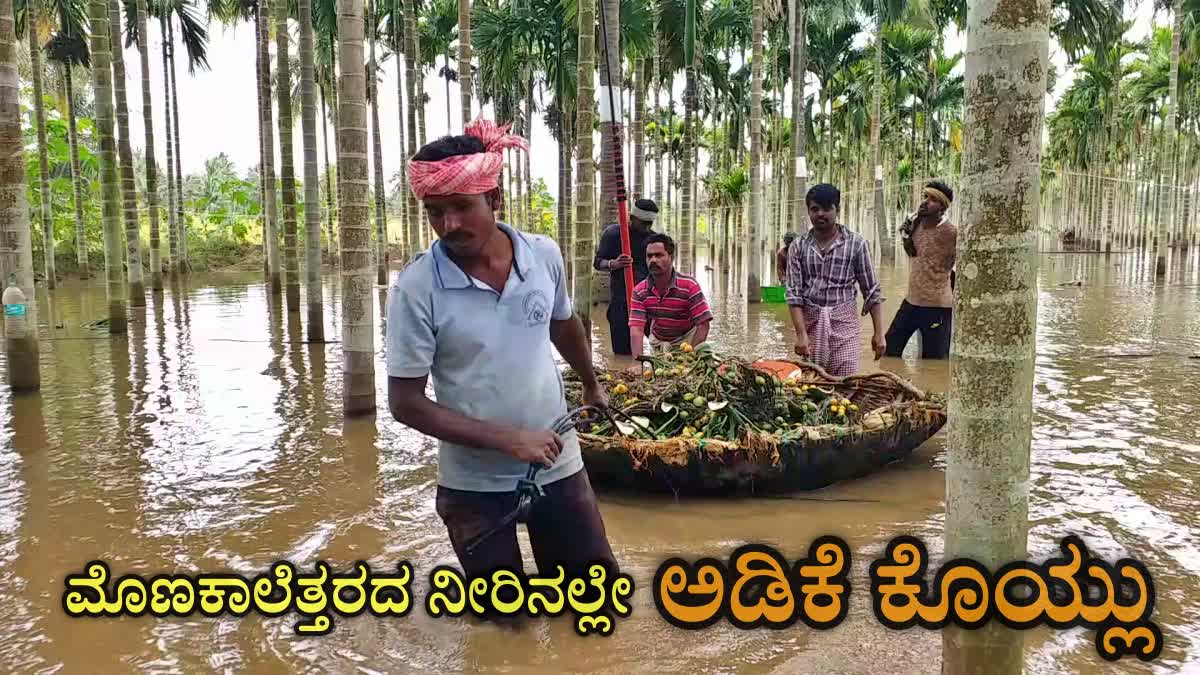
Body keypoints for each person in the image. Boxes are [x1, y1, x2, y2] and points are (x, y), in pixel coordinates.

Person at [385, 118, 617, 595]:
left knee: (594, 600)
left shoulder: (542, 255)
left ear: (495, 198)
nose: (449, 225)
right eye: (435, 212)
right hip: (473, 486)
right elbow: (405, 403)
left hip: (558, 464)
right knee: (502, 624)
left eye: (461, 207)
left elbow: (562, 324)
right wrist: (509, 440)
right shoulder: (416, 289)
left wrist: (592, 383)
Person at [785, 183, 886, 376]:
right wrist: (800, 335)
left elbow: (871, 291)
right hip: (811, 323)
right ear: (808, 211)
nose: (820, 214)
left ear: (837, 210)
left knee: (846, 382)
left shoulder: (856, 244)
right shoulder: (798, 247)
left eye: (826, 208)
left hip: (844, 323)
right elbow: (794, 295)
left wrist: (879, 333)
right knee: (812, 384)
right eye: (815, 209)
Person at [885, 180, 958, 359]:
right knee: (889, 350)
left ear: (942, 207)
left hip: (937, 307)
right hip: (911, 302)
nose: (925, 202)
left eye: (932, 199)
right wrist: (905, 235)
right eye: (925, 196)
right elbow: (915, 256)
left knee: (934, 362)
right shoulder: (914, 225)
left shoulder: (952, 233)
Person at [624, 233, 713, 368]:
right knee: (659, 378)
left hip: (686, 339)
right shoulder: (640, 291)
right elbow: (636, 329)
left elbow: (703, 324)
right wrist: (637, 364)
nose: (653, 260)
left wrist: (690, 355)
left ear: (671, 257)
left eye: (659, 255)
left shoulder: (689, 286)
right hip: (659, 341)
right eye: (649, 256)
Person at [593, 199, 659, 355]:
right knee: (624, 356)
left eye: (649, 223)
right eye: (643, 223)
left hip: (649, 302)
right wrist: (613, 264)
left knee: (661, 350)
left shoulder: (654, 239)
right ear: (631, 218)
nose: (646, 227)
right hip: (621, 304)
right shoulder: (613, 234)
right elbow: (598, 262)